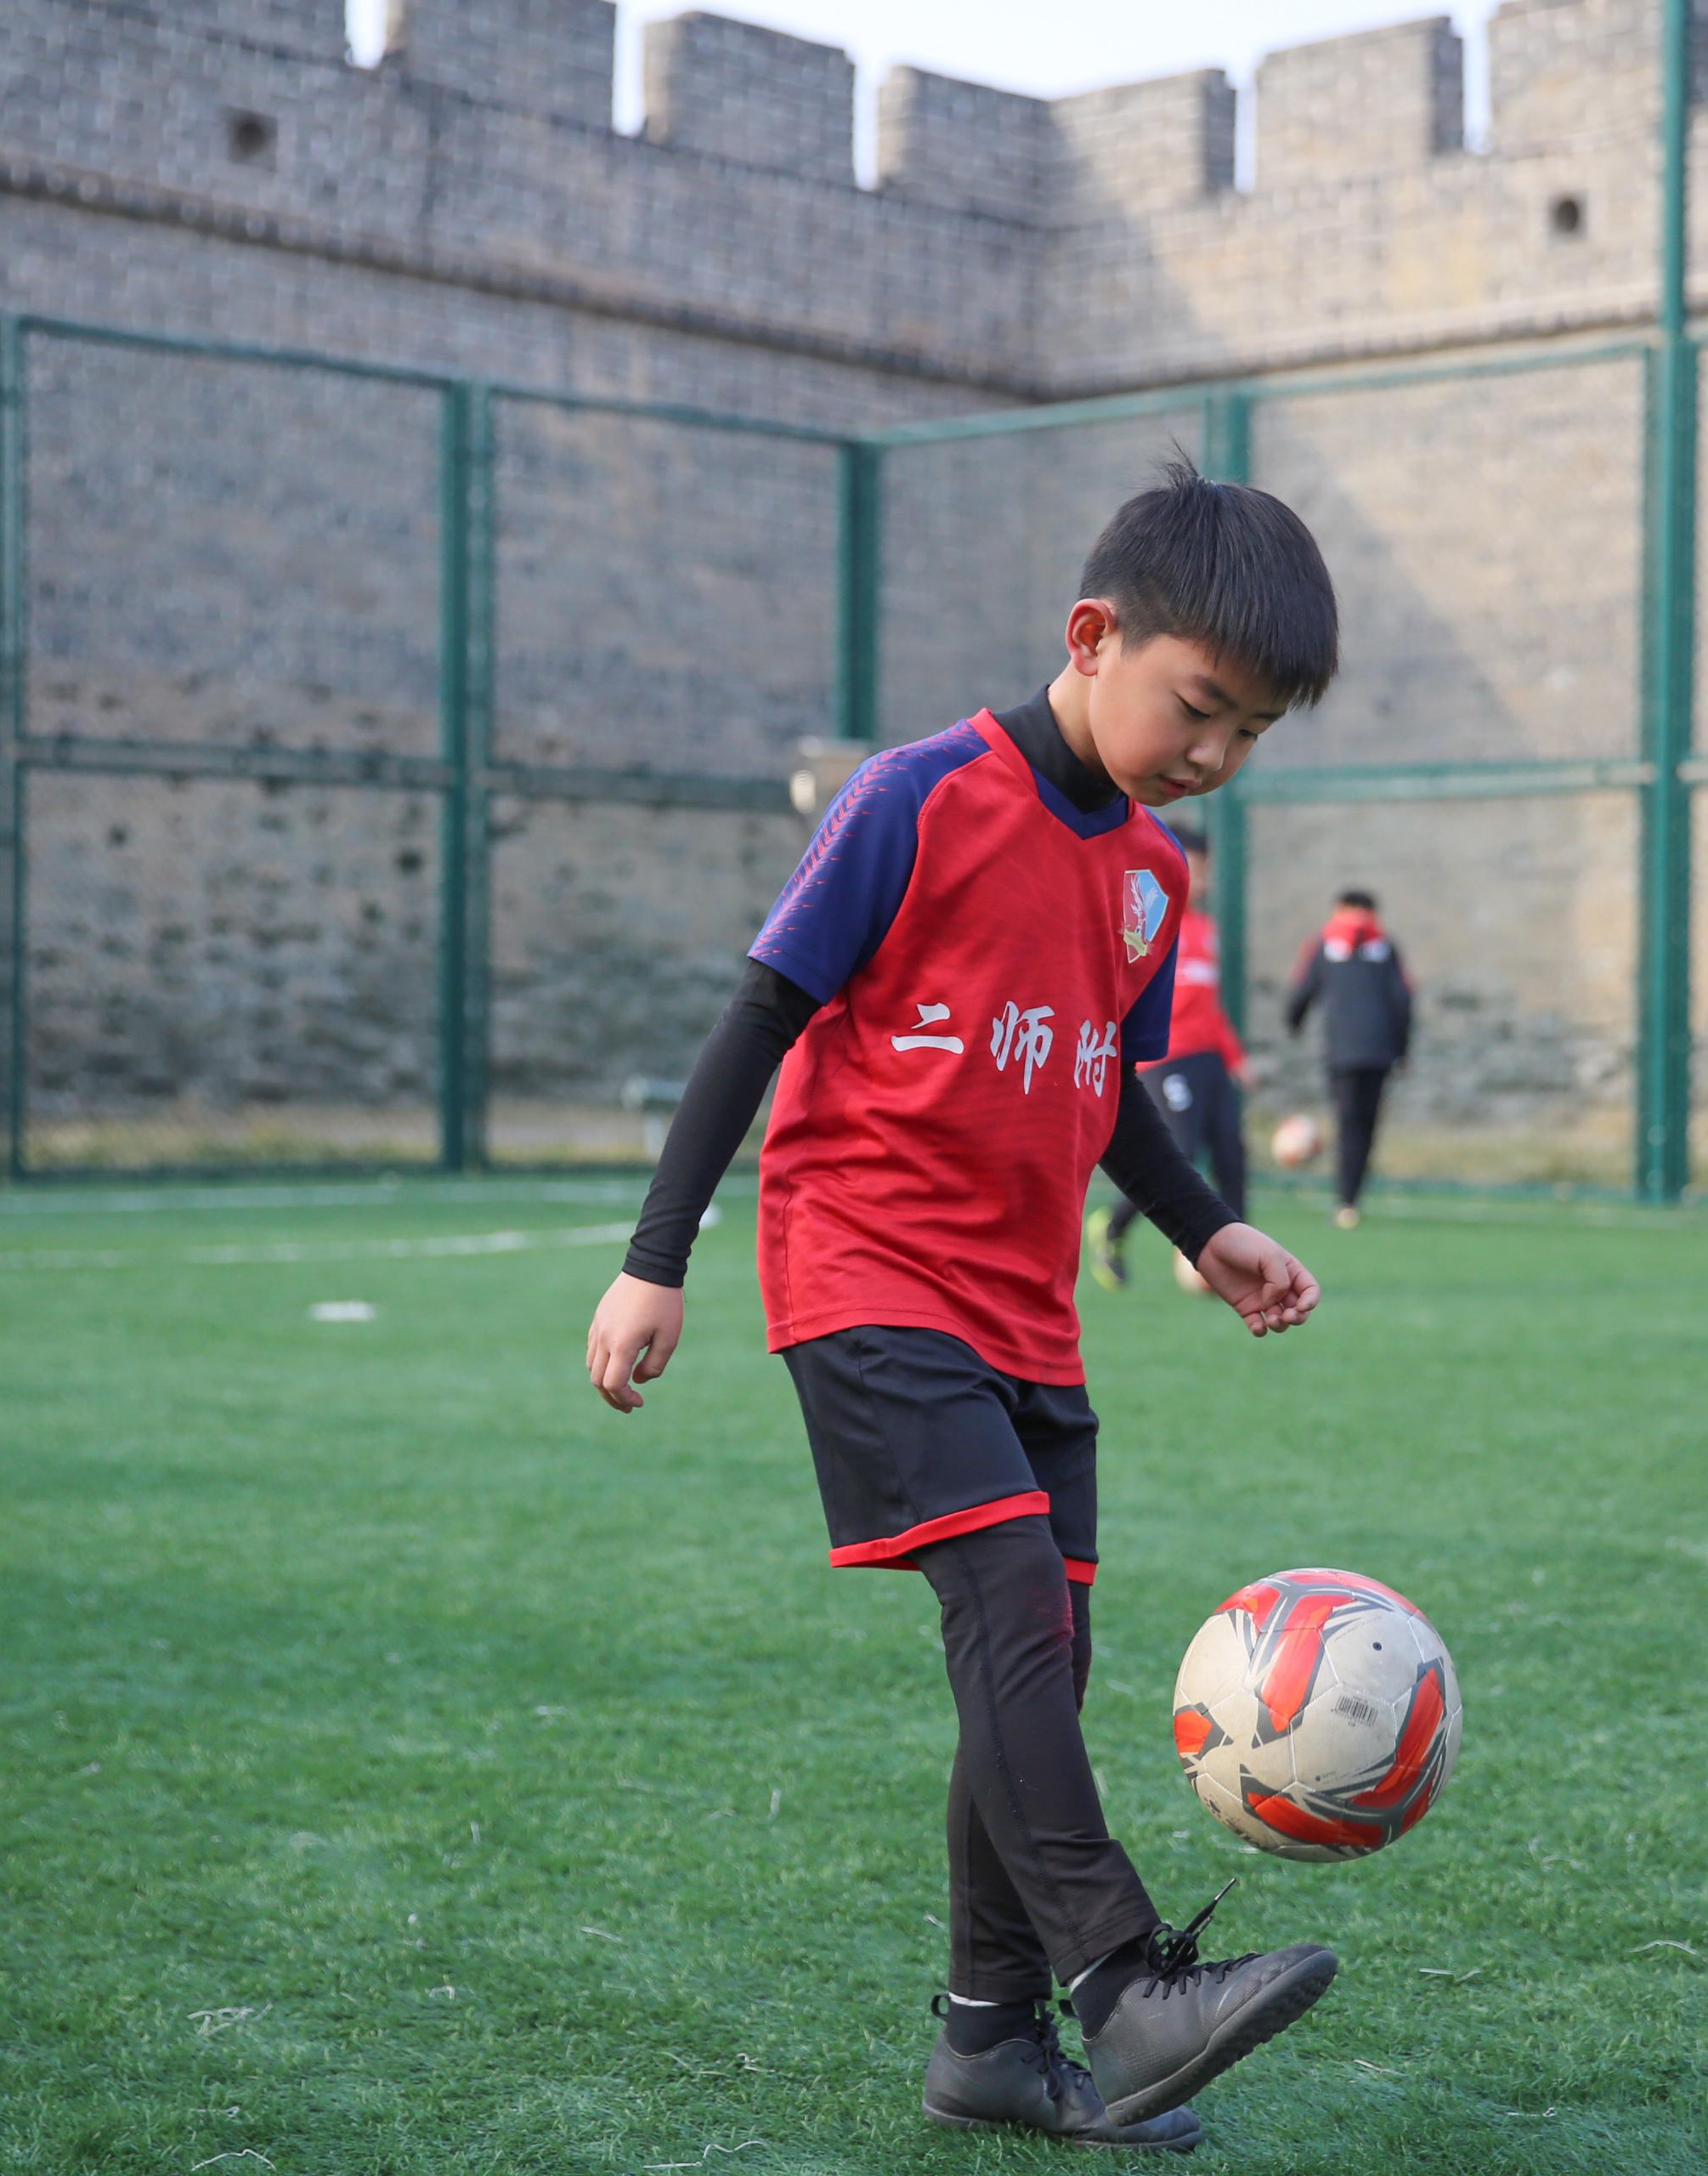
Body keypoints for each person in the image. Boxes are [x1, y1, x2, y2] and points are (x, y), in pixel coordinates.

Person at [584, 458, 1344, 2152]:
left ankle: (988, 2043)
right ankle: (1126, 1988)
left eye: (1250, 734)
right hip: (863, 1267)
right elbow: (761, 1012)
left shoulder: (1154, 870)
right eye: (1198, 708)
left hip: (1028, 1314)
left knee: (1042, 1659)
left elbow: (1117, 1086)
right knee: (1004, 1591)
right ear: (1094, 636)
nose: (1214, 754)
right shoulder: (917, 796)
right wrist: (659, 1253)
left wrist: (1207, 1227)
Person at [1089, 819, 1249, 1291]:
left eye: (1206, 870)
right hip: (1168, 1059)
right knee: (1175, 1152)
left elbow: (1211, 1004)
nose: (1202, 879)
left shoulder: (1207, 930)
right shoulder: (1150, 922)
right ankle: (1113, 1228)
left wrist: (1236, 1057)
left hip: (1210, 1059)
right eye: (1196, 868)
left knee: (1231, 1153)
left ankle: (1240, 1259)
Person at [1284, 888, 1411, 1229]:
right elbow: (1403, 1002)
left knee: (1347, 1121)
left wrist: (1292, 1022)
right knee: (1366, 1125)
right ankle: (1352, 1199)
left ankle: (1343, 1200)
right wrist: (1403, 1051)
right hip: (1380, 1050)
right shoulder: (1386, 948)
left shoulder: (1325, 944)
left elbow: (1303, 990)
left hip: (1341, 1049)